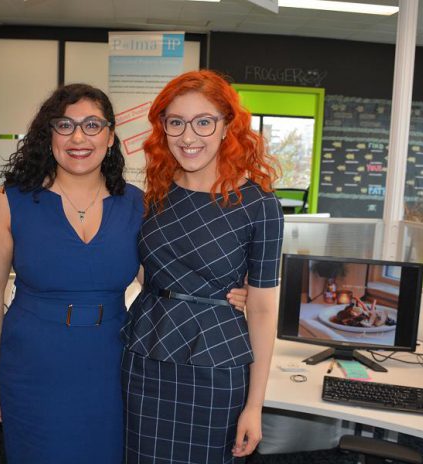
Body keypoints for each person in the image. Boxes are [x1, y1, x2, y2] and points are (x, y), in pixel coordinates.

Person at [0, 83, 247, 463]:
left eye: (92, 125)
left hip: (112, 363)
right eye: (65, 126)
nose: (78, 137)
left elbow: (160, 282)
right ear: (49, 134)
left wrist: (224, 295)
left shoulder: (137, 204)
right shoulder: (11, 201)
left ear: (110, 135)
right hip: (33, 362)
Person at [122, 70, 284, 463]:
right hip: (145, 357)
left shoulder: (259, 205)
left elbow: (263, 310)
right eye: (176, 122)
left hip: (216, 366)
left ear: (228, 125)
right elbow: (149, 272)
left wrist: (254, 406)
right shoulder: (155, 192)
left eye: (203, 121)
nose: (188, 136)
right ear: (163, 127)